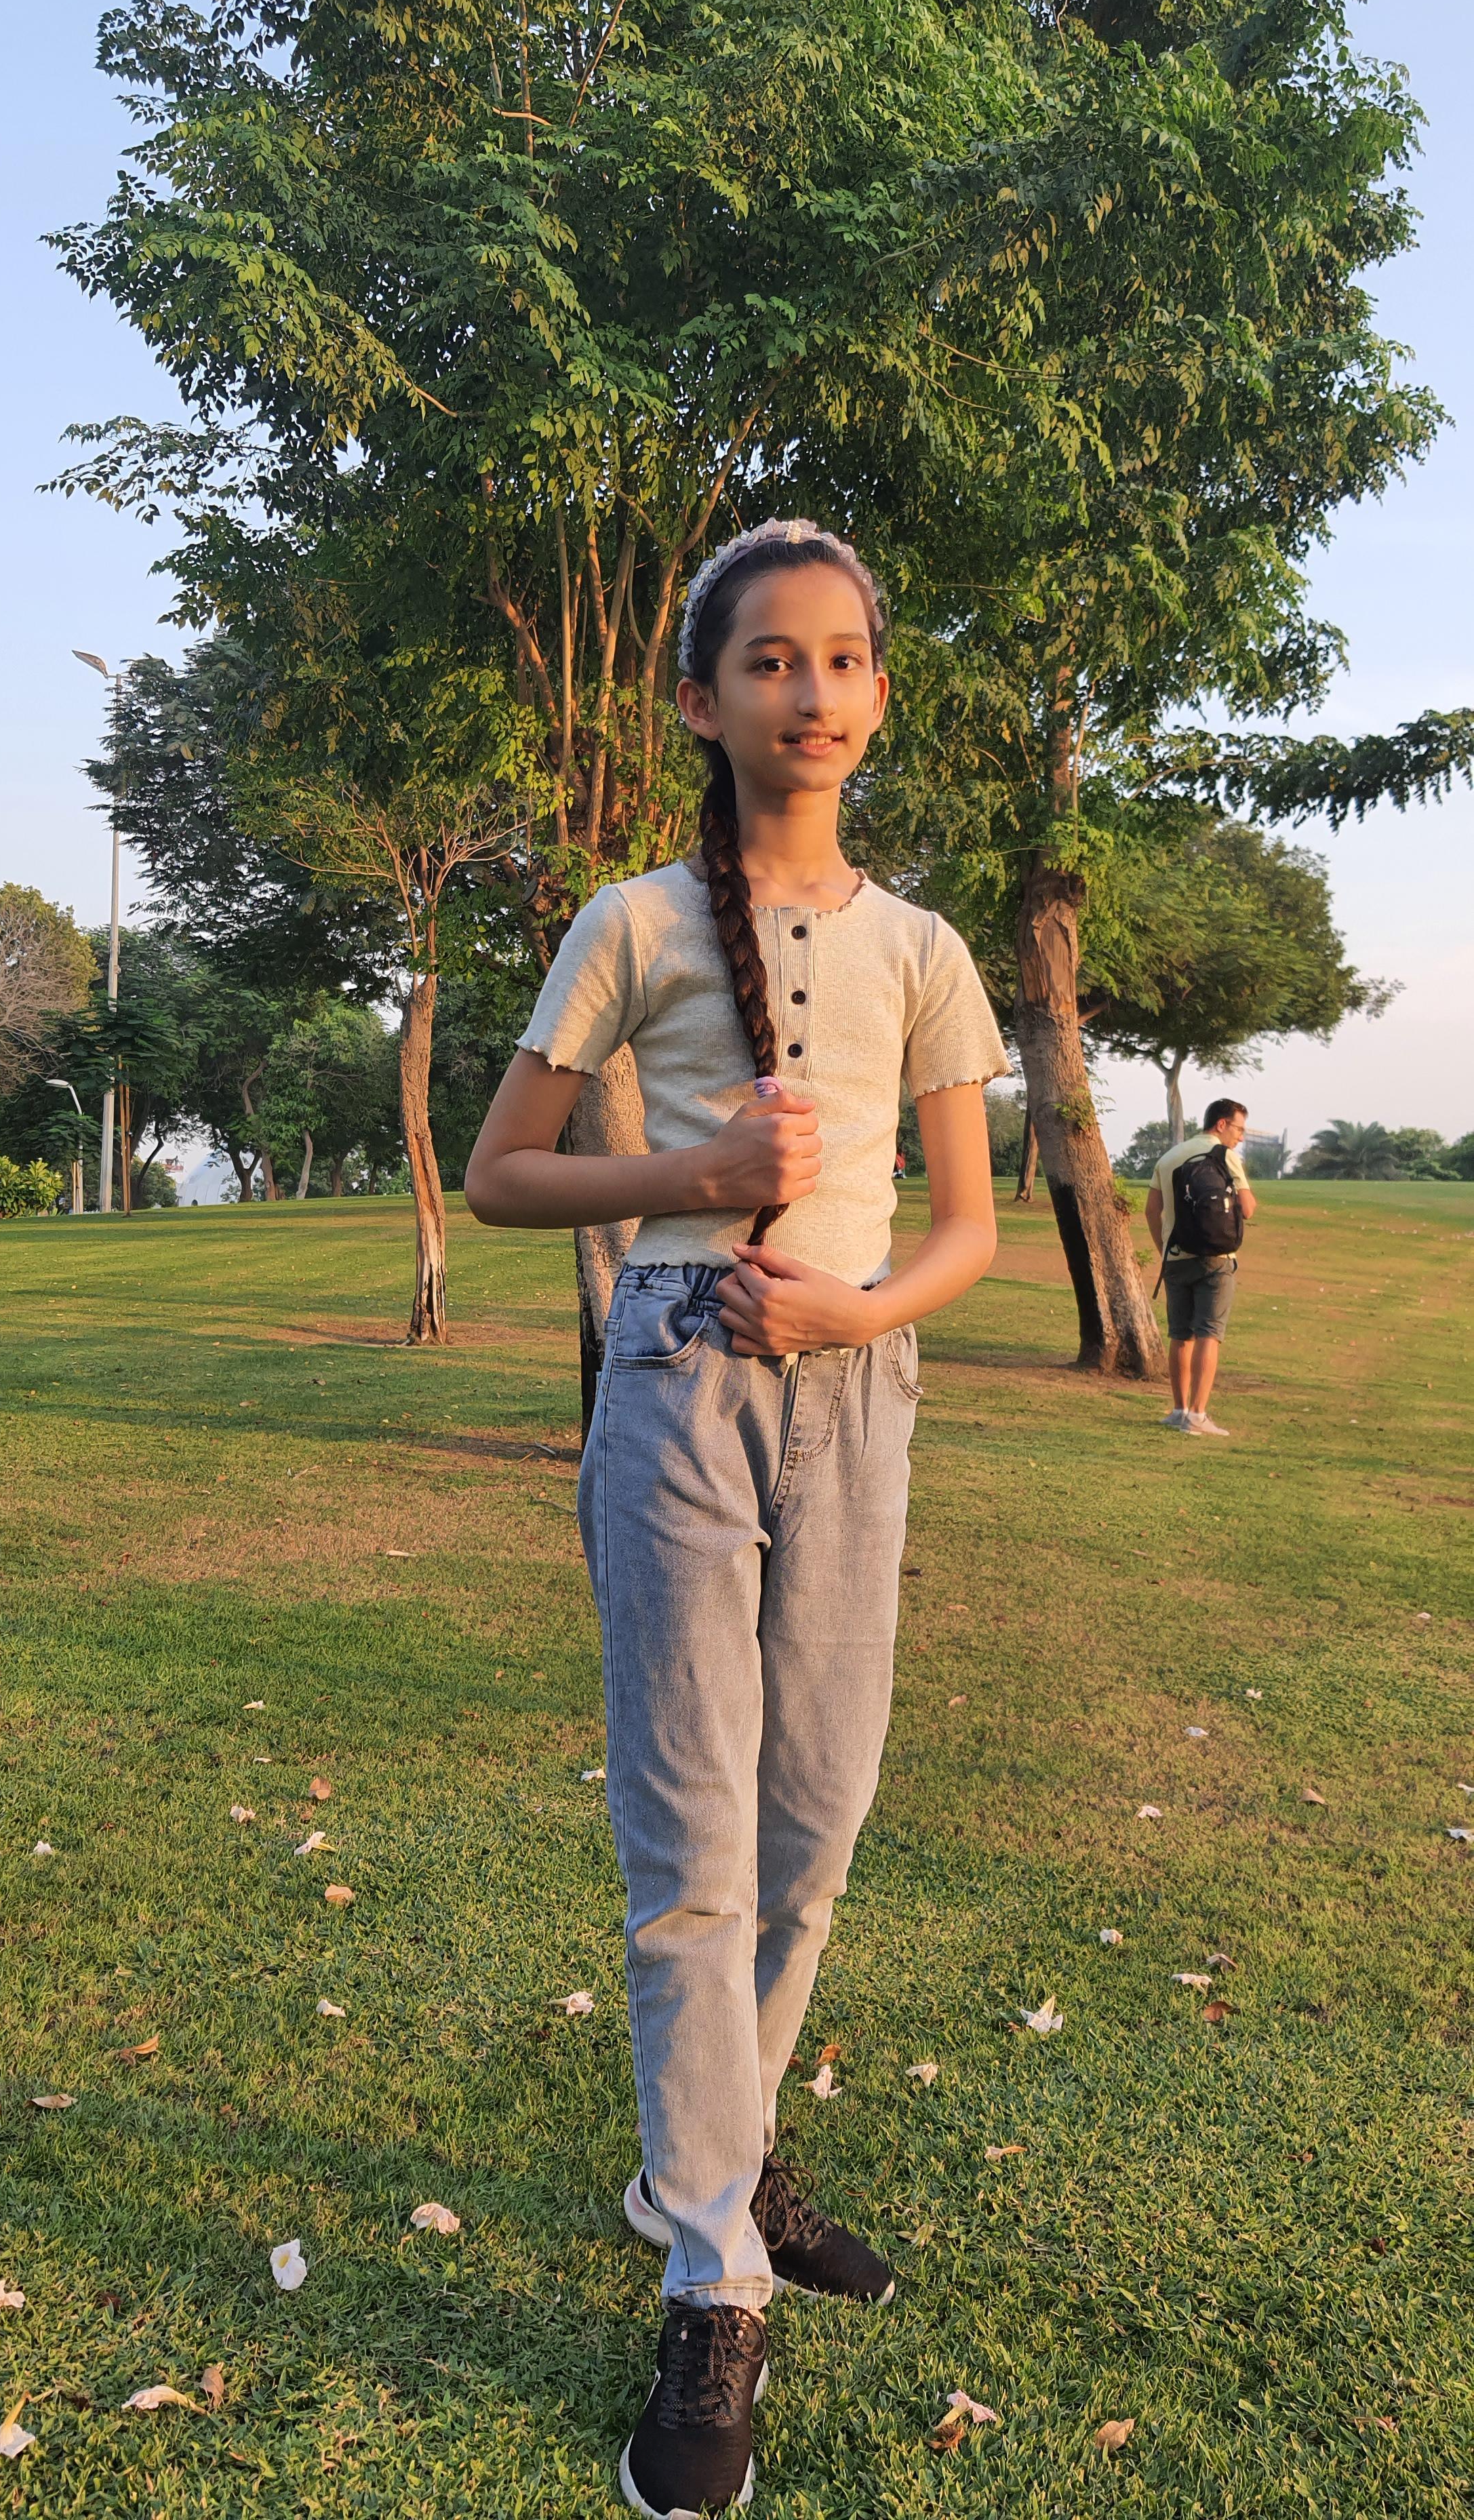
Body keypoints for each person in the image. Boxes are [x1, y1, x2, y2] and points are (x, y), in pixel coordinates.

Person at [465, 519, 1005, 2517]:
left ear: (879, 694)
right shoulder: (629, 921)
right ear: (701, 700)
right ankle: (714, 2268)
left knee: (819, 1816)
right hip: (681, 1377)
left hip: (856, 1384)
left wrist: (859, 1310)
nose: (811, 690)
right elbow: (506, 1173)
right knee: (689, 1832)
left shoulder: (924, 951)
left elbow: (966, 1228)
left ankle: (719, 2145)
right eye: (769, 660)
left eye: (842, 657)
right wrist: (683, 1175)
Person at [1144, 1098, 1257, 1438]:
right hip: (1217, 1259)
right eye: (1239, 1129)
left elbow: (1152, 1211)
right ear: (1221, 1124)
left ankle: (1179, 1411)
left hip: (1176, 1258)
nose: (1240, 1137)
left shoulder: (1169, 1158)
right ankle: (1197, 1415)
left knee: (1181, 1335)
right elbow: (1248, 1208)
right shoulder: (1224, 1156)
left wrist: (1164, 1249)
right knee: (1209, 1334)